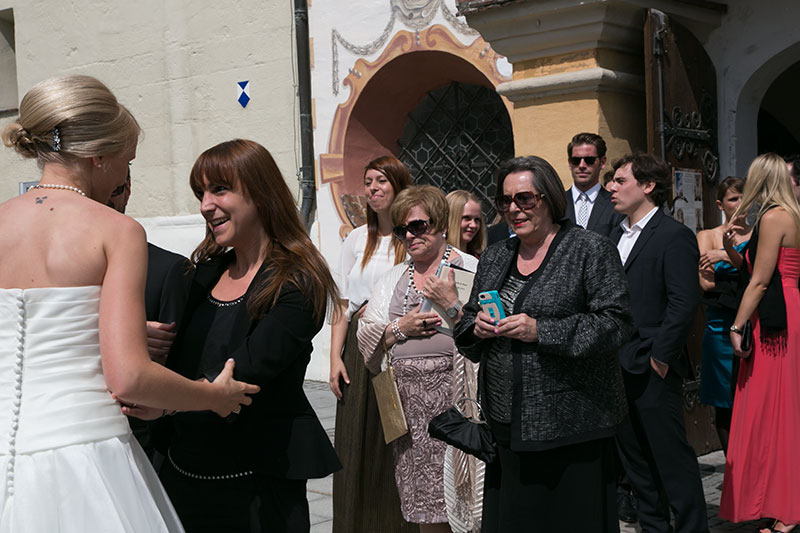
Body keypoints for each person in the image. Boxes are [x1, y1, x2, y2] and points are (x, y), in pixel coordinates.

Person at [0, 74, 258, 532]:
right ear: (99, 155)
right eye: (128, 159)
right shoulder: (115, 230)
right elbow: (130, 377)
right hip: (84, 453)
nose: (125, 175)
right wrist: (214, 396)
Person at [150, 139, 342, 532]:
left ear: (260, 192)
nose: (206, 205)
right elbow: (176, 357)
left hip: (257, 486)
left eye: (220, 189)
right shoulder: (201, 275)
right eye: (201, 193)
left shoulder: (298, 282)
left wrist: (165, 403)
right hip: (183, 473)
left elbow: (247, 372)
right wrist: (147, 342)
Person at [454, 156, 632, 532]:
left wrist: (541, 331)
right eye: (505, 201)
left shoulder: (589, 250)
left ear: (548, 198)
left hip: (570, 429)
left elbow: (615, 325)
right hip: (506, 427)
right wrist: (477, 328)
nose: (513, 209)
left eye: (524, 199)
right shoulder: (495, 255)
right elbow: (467, 321)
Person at [358, 185, 478, 532]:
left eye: (418, 226)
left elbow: (489, 326)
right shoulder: (393, 277)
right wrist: (402, 327)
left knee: (467, 503)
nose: (410, 235)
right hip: (409, 414)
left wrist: (453, 307)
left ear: (439, 224)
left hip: (458, 403)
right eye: (402, 230)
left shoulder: (469, 267)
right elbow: (367, 334)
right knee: (424, 510)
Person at [607, 153, 708, 533]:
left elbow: (683, 302)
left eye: (620, 180)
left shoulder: (673, 235)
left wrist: (661, 358)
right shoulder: (614, 234)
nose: (611, 187)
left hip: (652, 365)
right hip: (615, 363)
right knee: (635, 462)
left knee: (671, 459)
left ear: (648, 186)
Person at [329, 155, 415, 533]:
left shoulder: (410, 236)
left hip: (398, 347)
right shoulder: (356, 238)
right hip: (358, 349)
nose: (373, 189)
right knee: (354, 442)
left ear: (399, 185)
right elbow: (341, 303)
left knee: (394, 440)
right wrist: (334, 357)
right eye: (368, 182)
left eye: (382, 181)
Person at [720, 153, 800, 533]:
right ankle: (781, 505)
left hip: (775, 321)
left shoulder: (774, 217)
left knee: (775, 412)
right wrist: (731, 247)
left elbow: (760, 281)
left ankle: (787, 510)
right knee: (779, 412)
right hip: (784, 312)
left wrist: (736, 326)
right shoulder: (788, 214)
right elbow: (755, 270)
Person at [107, 168, 192, 460]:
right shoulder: (41, 270)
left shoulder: (167, 269)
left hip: (139, 443)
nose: (104, 201)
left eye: (115, 190)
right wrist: (126, 335)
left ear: (128, 189)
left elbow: (177, 365)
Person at [696, 176, 750, 453]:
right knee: (723, 400)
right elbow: (706, 283)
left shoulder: (758, 233)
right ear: (720, 204)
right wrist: (742, 272)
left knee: (751, 398)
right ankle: (732, 465)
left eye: (744, 197)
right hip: (719, 328)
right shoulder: (707, 236)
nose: (740, 204)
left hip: (752, 325)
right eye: (733, 199)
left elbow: (763, 276)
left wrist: (723, 257)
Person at [564, 132, 623, 236]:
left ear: (602, 162)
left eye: (589, 160)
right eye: (575, 160)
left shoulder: (616, 205)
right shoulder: (557, 204)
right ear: (569, 163)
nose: (582, 165)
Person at [446, 190, 487, 258]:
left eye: (477, 220)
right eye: (466, 218)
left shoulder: (481, 258)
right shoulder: (435, 257)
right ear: (451, 219)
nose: (473, 225)